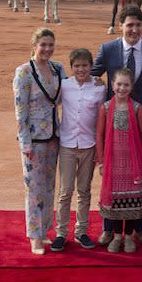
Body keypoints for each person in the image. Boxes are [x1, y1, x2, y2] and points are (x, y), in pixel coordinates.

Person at [92, 5, 142, 246]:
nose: (133, 29)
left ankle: (139, 228)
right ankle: (109, 229)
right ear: (121, 25)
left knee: (141, 174)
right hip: (114, 124)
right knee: (112, 175)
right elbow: (92, 76)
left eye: (138, 25)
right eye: (129, 25)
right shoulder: (108, 49)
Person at [13, 28, 66, 255]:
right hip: (33, 140)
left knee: (50, 186)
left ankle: (46, 231)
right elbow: (20, 110)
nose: (47, 49)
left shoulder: (58, 69)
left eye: (50, 45)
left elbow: (67, 95)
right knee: (34, 189)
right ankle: (34, 236)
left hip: (54, 137)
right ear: (34, 45)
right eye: (43, 45)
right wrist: (24, 142)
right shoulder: (24, 72)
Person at [51, 48, 106, 252]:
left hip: (88, 145)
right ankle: (61, 233)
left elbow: (101, 117)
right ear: (71, 68)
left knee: (84, 191)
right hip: (67, 145)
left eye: (84, 65)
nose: (81, 69)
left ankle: (81, 231)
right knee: (65, 192)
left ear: (91, 67)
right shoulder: (64, 86)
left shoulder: (99, 88)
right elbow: (52, 103)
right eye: (77, 66)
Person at [95, 68, 142, 253]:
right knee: (116, 202)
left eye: (126, 84)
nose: (122, 88)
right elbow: (100, 134)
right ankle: (117, 236)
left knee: (133, 200)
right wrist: (101, 161)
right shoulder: (105, 108)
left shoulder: (137, 108)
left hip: (132, 164)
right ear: (112, 85)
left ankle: (128, 237)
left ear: (131, 86)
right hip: (113, 163)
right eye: (119, 84)